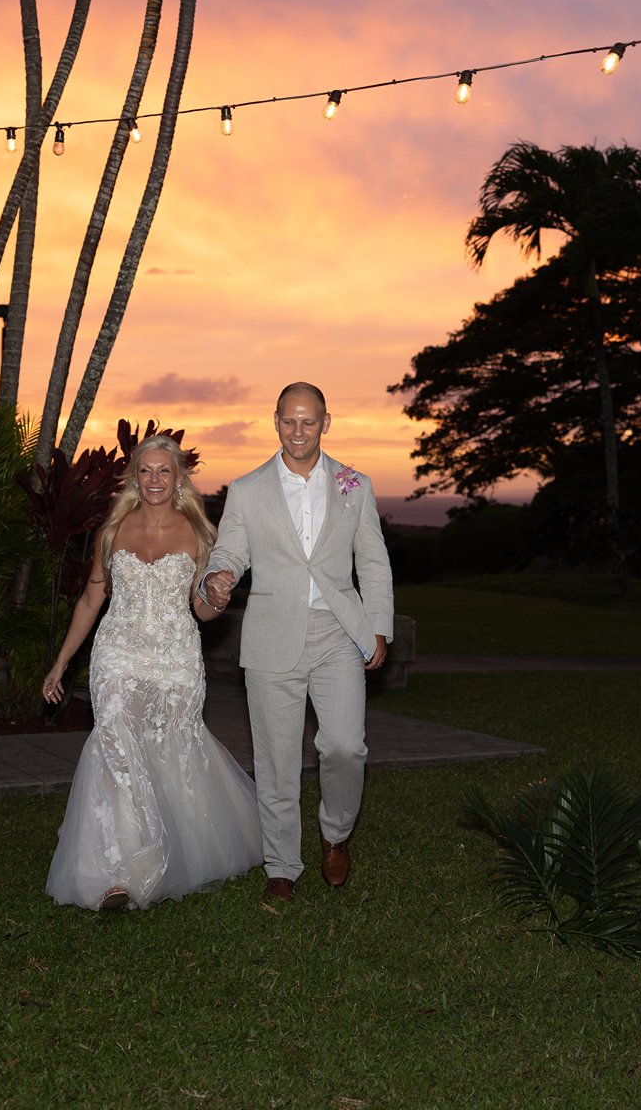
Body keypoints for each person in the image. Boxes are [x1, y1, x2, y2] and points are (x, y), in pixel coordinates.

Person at [42, 435, 260, 911]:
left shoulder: (201, 534)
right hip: (117, 651)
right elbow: (90, 601)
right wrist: (61, 662)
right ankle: (122, 870)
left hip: (176, 656)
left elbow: (201, 610)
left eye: (165, 471)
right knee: (116, 744)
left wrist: (217, 599)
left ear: (179, 477)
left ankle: (179, 848)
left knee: (174, 748)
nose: (155, 480)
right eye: (146, 471)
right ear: (134, 477)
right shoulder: (112, 529)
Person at [202, 382, 394, 904]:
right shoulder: (247, 489)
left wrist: (378, 624)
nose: (298, 431)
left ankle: (336, 832)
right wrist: (218, 577)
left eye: (309, 421)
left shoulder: (355, 485)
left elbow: (373, 561)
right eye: (289, 420)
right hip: (271, 635)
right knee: (276, 758)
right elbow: (229, 552)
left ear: (326, 423)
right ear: (275, 420)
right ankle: (282, 866)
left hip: (337, 631)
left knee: (344, 746)